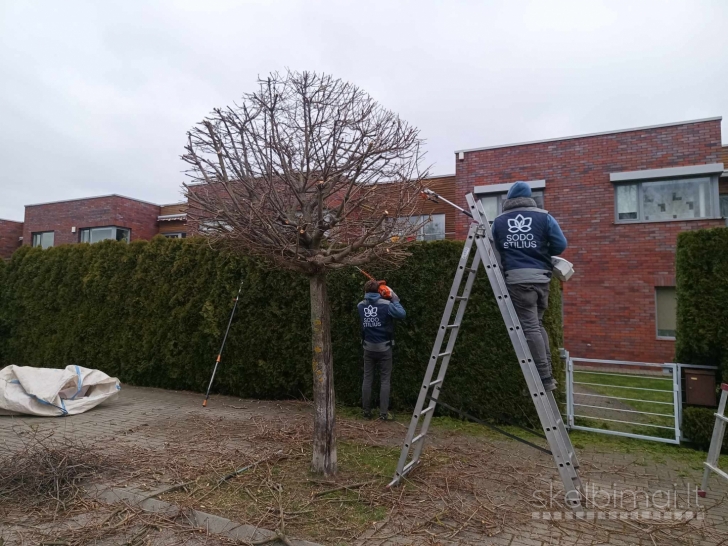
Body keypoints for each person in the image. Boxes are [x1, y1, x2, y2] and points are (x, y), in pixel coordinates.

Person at [491, 182, 567, 391]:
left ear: (509, 199)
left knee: (531, 327)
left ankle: (544, 377)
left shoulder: (499, 221)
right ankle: (547, 371)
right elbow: (560, 245)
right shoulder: (545, 217)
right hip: (542, 279)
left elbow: (493, 249)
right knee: (537, 324)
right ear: (529, 197)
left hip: (517, 280)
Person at [357, 279, 406, 420]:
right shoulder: (387, 305)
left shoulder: (360, 306)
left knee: (367, 379)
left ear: (365, 291)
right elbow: (402, 314)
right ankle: (383, 414)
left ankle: (366, 412)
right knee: (385, 380)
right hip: (384, 348)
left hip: (368, 347)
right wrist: (394, 299)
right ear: (379, 291)